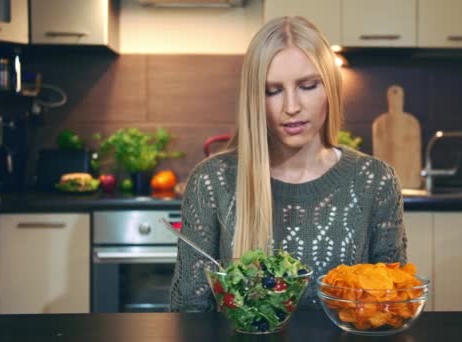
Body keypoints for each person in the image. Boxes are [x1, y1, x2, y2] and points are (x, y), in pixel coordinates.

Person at [170, 16, 407, 312]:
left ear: (330, 88)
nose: (292, 107)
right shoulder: (212, 181)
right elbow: (190, 312)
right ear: (255, 99)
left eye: (307, 86)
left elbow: (391, 304)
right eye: (273, 91)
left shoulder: (375, 180)